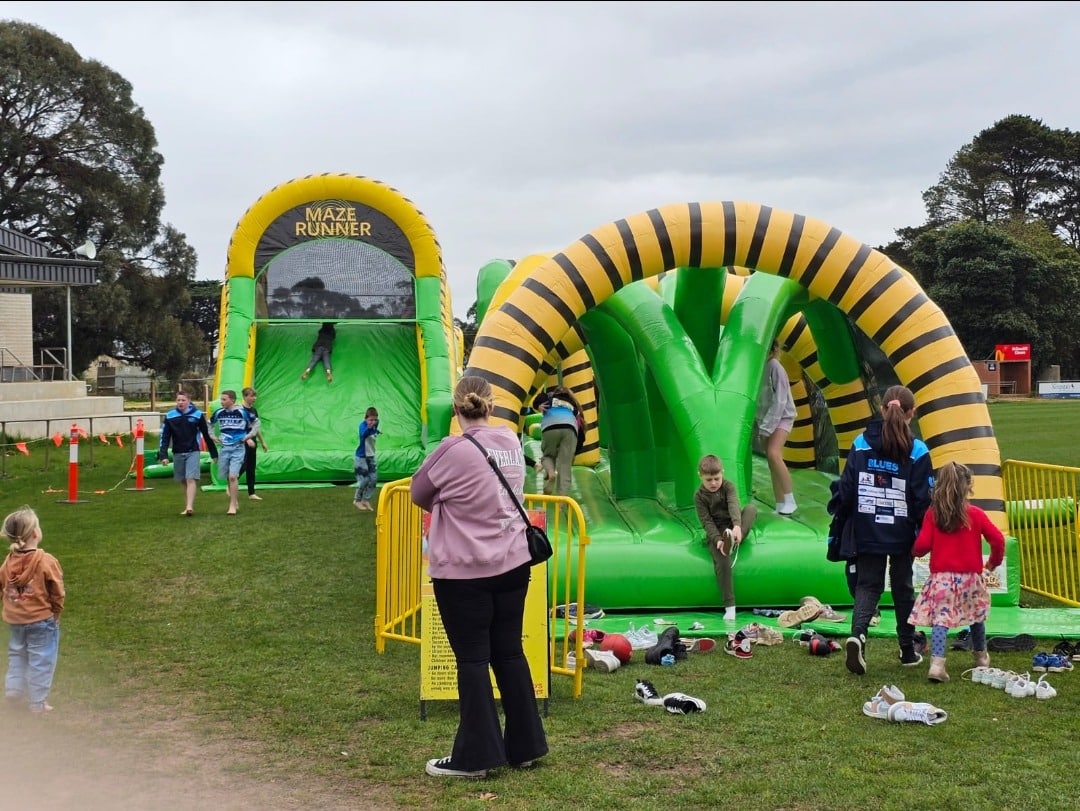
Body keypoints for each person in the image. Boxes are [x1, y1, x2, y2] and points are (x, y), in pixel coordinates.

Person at [410, 376, 548, 779]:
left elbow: (420, 493)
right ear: (491, 406)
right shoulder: (509, 440)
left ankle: (476, 757)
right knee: (509, 653)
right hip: (513, 564)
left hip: (464, 571)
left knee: (472, 660)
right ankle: (526, 746)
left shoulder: (450, 450)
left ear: (456, 409)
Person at [834, 384, 933, 676]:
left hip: (866, 525)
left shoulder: (861, 442)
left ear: (881, 410)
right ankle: (906, 650)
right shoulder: (918, 450)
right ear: (911, 413)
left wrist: (845, 519)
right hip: (902, 531)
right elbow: (922, 498)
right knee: (903, 587)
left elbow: (847, 487)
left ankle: (858, 636)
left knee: (868, 585)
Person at [908, 461, 1004, 683]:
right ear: (968, 485)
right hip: (971, 578)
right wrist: (992, 563)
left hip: (941, 578)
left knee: (941, 620)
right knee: (976, 616)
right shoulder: (976, 514)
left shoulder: (933, 515)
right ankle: (981, 657)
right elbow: (998, 540)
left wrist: (912, 547)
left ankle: (937, 664)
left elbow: (921, 546)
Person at [1, 506, 65, 714]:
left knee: (17, 655)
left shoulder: (8, 562)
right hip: (42, 621)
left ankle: (13, 689)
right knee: (41, 660)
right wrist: (56, 611)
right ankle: (37, 703)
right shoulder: (46, 561)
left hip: (15, 621)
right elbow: (57, 590)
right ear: (36, 533)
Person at [694, 454, 758, 623]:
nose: (713, 483)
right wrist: (718, 540)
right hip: (717, 531)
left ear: (722, 472)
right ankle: (730, 606)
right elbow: (706, 521)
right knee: (723, 563)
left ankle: (737, 538)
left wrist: (737, 526)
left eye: (716, 478)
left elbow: (733, 504)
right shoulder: (699, 497)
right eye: (709, 480)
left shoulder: (728, 486)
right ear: (700, 476)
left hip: (733, 526)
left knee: (751, 509)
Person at [158, 390, 218, 516]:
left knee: (191, 478)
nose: (180, 402)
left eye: (183, 400)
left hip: (193, 451)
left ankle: (190, 506)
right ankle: (187, 506)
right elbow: (165, 437)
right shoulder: (170, 416)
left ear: (189, 401)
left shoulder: (197, 415)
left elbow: (206, 435)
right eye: (178, 400)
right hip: (178, 452)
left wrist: (213, 453)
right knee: (183, 480)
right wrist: (163, 455)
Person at [757, 340, 798, 515]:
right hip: (764, 419)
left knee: (774, 454)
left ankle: (790, 499)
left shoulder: (775, 367)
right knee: (771, 461)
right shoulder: (757, 368)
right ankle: (780, 503)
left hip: (782, 417)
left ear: (772, 349)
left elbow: (780, 400)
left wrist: (767, 426)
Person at [211, 389, 260, 516]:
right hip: (224, 448)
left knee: (233, 476)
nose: (221, 402)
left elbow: (256, 424)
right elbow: (209, 424)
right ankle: (235, 499)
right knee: (228, 476)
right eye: (221, 399)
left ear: (232, 400)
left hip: (238, 448)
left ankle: (232, 505)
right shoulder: (219, 413)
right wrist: (213, 436)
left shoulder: (242, 412)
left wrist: (248, 437)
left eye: (224, 399)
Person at [531, 385, 580, 496]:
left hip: (550, 426)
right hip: (570, 427)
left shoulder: (549, 398)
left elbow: (537, 400)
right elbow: (580, 425)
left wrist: (538, 406)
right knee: (564, 465)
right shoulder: (572, 404)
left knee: (548, 455)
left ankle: (551, 473)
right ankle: (561, 500)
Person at [241, 387, 268, 501]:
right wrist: (246, 438)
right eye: (252, 396)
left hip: (253, 443)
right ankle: (231, 483)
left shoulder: (253, 410)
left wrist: (263, 442)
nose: (254, 398)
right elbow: (237, 428)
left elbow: (256, 428)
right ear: (245, 397)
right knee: (243, 465)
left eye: (254, 396)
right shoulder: (240, 410)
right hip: (242, 442)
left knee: (251, 467)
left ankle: (251, 493)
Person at [353, 406, 380, 511]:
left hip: (370, 457)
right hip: (361, 457)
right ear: (365, 419)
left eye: (374, 420)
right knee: (364, 480)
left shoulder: (375, 424)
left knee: (373, 479)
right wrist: (369, 427)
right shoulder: (363, 426)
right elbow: (363, 435)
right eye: (370, 420)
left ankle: (366, 499)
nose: (372, 422)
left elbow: (376, 423)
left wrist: (376, 429)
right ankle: (357, 500)